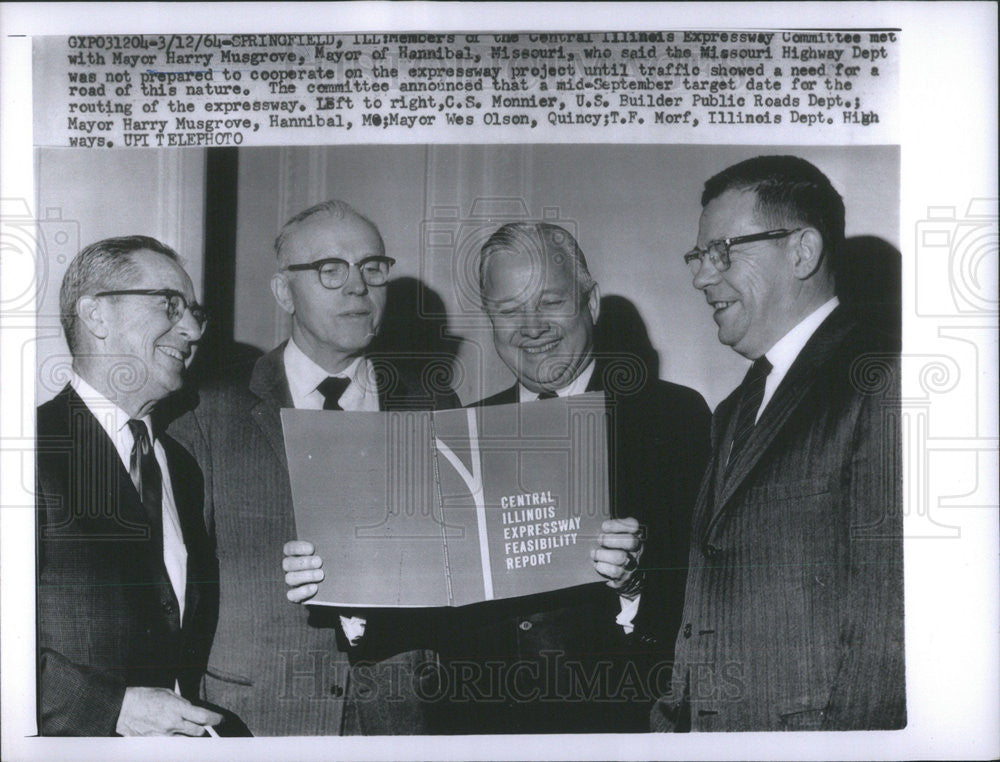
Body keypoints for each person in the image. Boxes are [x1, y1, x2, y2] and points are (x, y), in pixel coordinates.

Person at [169, 200, 459, 736]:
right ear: (284, 291)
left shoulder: (433, 404)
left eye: (373, 268)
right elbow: (175, 583)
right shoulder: (208, 409)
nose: (358, 287)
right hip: (257, 719)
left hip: (399, 716)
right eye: (331, 269)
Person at [652, 155, 905, 731]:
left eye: (722, 251)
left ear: (802, 251)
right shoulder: (733, 409)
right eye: (698, 255)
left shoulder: (885, 378)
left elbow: (891, 629)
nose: (700, 276)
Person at [36, 236, 222, 735]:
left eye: (193, 312)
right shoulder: (27, 452)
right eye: (169, 305)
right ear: (97, 316)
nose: (190, 329)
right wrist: (114, 709)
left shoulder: (179, 465)